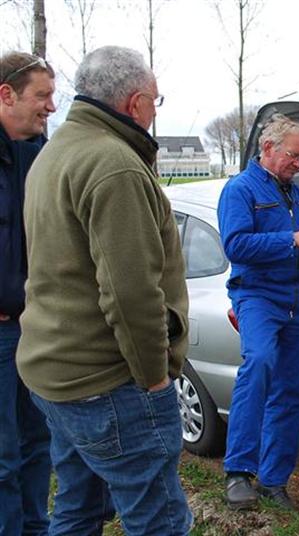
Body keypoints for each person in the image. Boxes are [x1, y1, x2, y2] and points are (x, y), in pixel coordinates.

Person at [17, 46, 192, 535]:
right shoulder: (114, 164)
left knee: (78, 508)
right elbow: (131, 293)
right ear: (136, 102)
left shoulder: (55, 151)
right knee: (159, 521)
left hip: (56, 375)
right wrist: (154, 379)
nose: (155, 111)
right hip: (108, 384)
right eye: (156, 101)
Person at [218, 113, 299, 511]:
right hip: (258, 296)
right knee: (258, 363)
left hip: (297, 301)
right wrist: (291, 238)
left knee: (293, 390)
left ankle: (274, 482)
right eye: (293, 155)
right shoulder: (240, 189)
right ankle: (238, 472)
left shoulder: (298, 195)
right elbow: (236, 246)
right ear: (268, 148)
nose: (298, 163)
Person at [0, 51, 55, 536]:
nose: (51, 106)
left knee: (39, 442)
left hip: (36, 327)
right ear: (7, 95)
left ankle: (36, 528)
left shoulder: (41, 154)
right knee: (2, 455)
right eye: (42, 95)